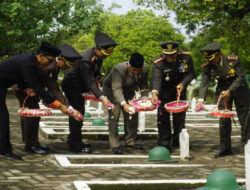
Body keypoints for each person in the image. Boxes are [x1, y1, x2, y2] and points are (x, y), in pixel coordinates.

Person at [0, 42, 81, 160]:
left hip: (4, 85)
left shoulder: (30, 60)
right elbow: (40, 88)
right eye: (49, 60)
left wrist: (25, 88)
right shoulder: (30, 63)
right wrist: (60, 106)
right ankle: (5, 150)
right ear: (41, 55)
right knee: (4, 117)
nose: (49, 63)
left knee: (3, 117)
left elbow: (20, 75)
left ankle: (6, 148)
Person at [62, 32, 117, 153]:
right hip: (72, 85)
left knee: (80, 111)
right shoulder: (86, 60)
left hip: (80, 86)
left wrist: (98, 81)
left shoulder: (98, 57)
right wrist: (101, 96)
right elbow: (89, 81)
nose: (106, 56)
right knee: (78, 113)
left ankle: (73, 139)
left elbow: (95, 75)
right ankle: (75, 145)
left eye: (108, 54)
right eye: (104, 53)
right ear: (97, 49)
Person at [196, 42, 250, 158]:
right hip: (222, 91)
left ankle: (247, 144)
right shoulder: (207, 66)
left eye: (212, 58)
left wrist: (230, 90)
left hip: (240, 90)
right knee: (224, 120)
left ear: (219, 54)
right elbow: (205, 82)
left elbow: (240, 77)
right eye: (208, 59)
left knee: (244, 119)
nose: (210, 61)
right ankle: (225, 148)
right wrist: (200, 99)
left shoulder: (234, 60)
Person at [151, 41, 195, 152]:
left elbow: (191, 74)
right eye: (167, 55)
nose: (169, 57)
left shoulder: (186, 57)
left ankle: (178, 140)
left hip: (179, 91)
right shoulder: (158, 62)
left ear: (177, 52)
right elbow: (156, 79)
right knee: (163, 118)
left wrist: (183, 84)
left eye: (172, 55)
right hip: (164, 92)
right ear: (163, 53)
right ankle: (164, 142)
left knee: (179, 118)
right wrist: (154, 93)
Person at [102, 53, 148, 154]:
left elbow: (143, 84)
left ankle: (130, 141)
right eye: (133, 70)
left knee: (133, 114)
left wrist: (144, 98)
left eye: (138, 70)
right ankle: (115, 144)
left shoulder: (145, 68)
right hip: (112, 92)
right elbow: (117, 89)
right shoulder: (119, 70)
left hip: (129, 91)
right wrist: (124, 104)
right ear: (128, 65)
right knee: (115, 116)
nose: (136, 72)